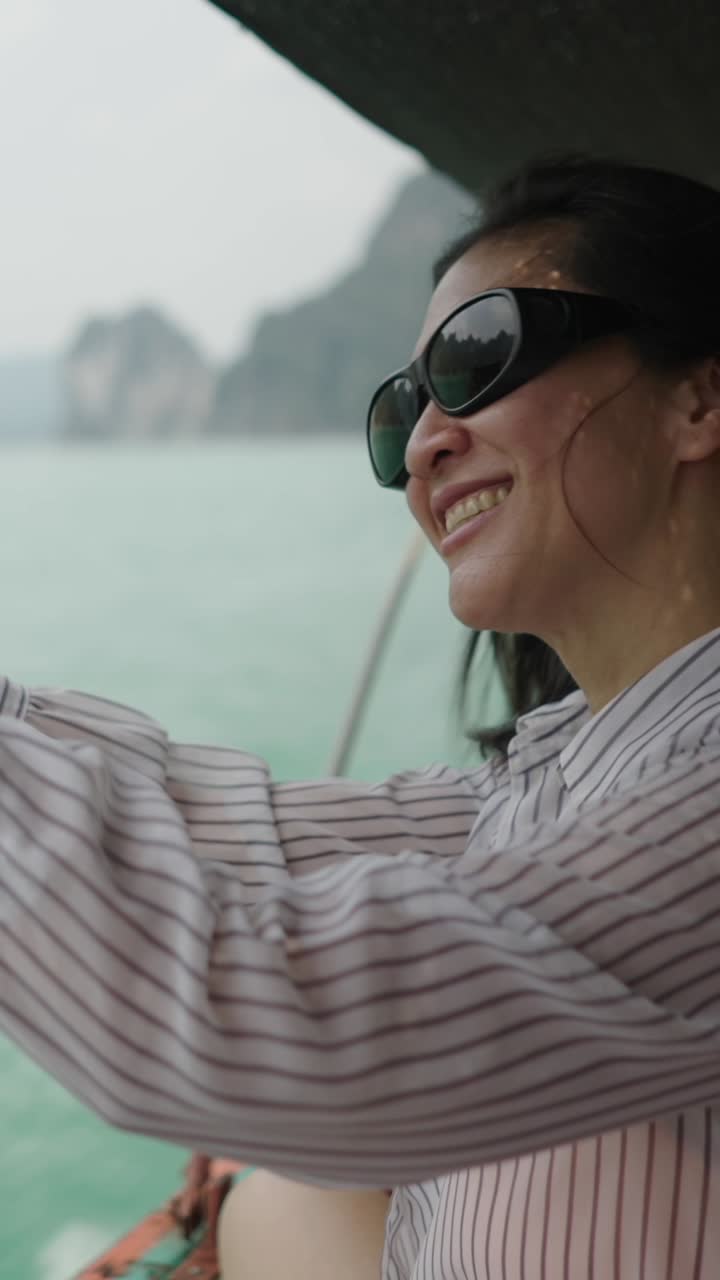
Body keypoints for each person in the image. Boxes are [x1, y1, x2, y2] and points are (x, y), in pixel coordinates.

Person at [2, 152, 720, 1279]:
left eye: (478, 357)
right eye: (402, 412)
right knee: (279, 1195)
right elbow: (228, 831)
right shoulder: (555, 782)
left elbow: (297, 1020)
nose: (424, 445)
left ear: (698, 398)